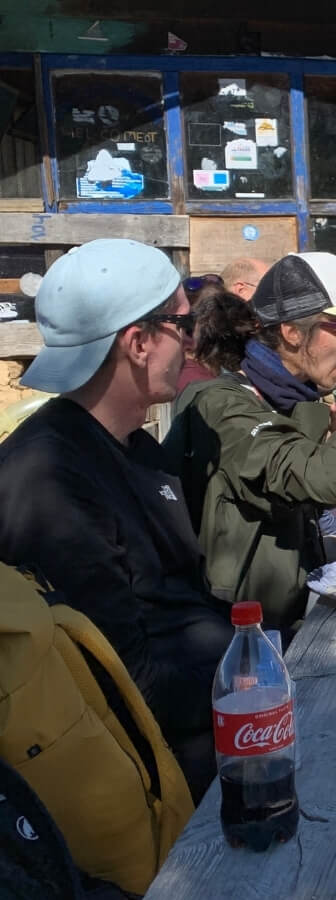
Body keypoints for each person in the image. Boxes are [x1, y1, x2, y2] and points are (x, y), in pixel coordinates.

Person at [0, 239, 233, 798]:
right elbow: (122, 687)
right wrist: (257, 678)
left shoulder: (130, 444)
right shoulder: (50, 482)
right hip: (161, 779)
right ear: (138, 342)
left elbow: (181, 599)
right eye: (182, 322)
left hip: (207, 710)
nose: (193, 339)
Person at [165, 253, 336, 634]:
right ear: (292, 332)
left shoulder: (295, 398)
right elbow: (325, 481)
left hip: (294, 607)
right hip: (239, 634)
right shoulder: (223, 405)